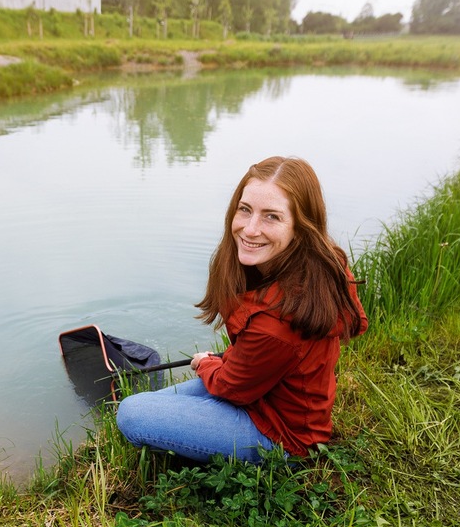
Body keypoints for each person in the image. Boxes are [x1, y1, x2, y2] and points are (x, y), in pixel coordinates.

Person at [116, 156, 368, 463]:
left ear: (301, 227)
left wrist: (206, 364)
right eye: (245, 209)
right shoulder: (323, 261)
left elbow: (231, 388)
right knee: (147, 401)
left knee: (132, 413)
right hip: (262, 393)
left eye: (271, 217)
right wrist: (226, 362)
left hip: (282, 434)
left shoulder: (276, 321)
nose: (249, 229)